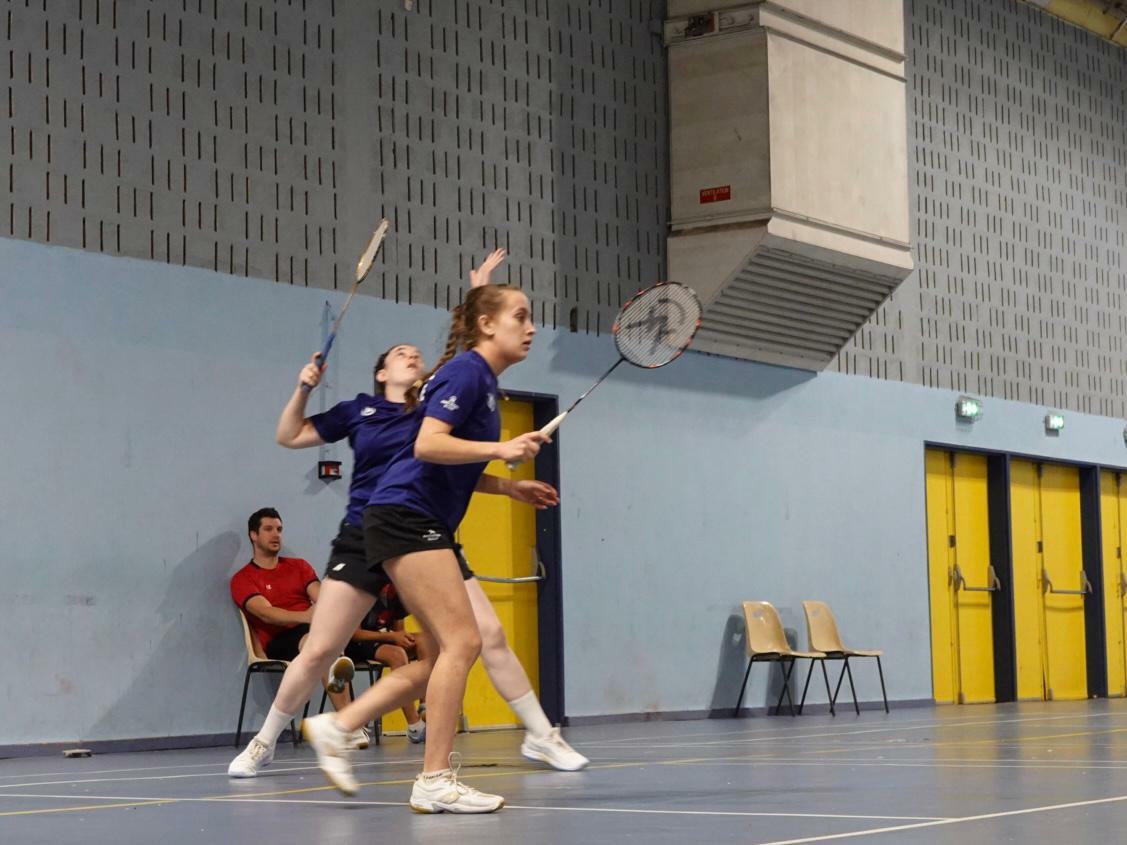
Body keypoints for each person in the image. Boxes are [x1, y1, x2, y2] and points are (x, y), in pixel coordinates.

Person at [229, 252, 586, 780]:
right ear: (381, 373)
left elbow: (465, 375)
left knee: (473, 638)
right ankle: (266, 742)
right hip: (370, 530)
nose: (411, 354)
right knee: (323, 647)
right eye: (399, 353)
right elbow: (289, 435)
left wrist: (508, 487)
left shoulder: (433, 404)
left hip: (423, 529)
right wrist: (304, 387)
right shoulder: (360, 410)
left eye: (416, 352)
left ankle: (538, 734)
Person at [303, 283, 556, 813]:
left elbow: (448, 462)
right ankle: (434, 779)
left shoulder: (480, 380)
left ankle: (340, 725)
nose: (531, 328)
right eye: (520, 316)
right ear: (487, 324)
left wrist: (509, 487)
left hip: (416, 517)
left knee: (441, 654)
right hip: (406, 515)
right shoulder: (468, 372)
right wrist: (502, 447)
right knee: (465, 641)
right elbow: (428, 444)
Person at [229, 509, 367, 746]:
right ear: (253, 535)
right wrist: (307, 617)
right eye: (268, 529)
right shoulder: (243, 578)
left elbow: (323, 598)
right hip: (278, 640)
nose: (276, 535)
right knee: (322, 645)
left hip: (312, 633)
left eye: (279, 529)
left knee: (324, 644)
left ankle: (347, 721)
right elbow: (267, 614)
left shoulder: (299, 566)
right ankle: (349, 722)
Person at [344, 614, 427, 743]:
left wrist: (402, 638)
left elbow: (399, 632)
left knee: (425, 642)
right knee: (397, 655)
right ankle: (415, 727)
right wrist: (391, 636)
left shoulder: (398, 601)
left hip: (383, 639)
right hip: (354, 643)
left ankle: (425, 707)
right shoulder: (360, 600)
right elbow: (355, 634)